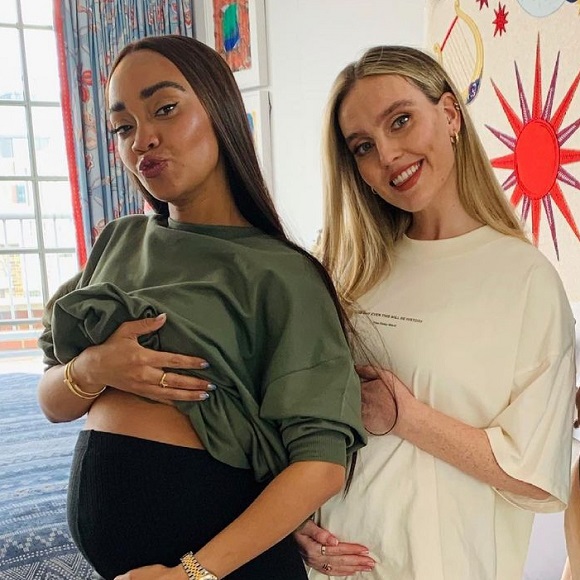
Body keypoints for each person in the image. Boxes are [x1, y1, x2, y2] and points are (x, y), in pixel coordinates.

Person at [37, 35, 366, 580]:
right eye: (122, 127)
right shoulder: (119, 242)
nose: (142, 139)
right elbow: (52, 402)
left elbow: (322, 465)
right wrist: (93, 368)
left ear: (220, 110)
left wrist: (191, 575)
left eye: (165, 108)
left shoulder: (282, 273)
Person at [294, 45, 576, 580]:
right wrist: (297, 519)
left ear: (449, 114)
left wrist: (408, 418)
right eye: (363, 146)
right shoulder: (348, 271)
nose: (387, 154)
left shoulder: (524, 281)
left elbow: (538, 476)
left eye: (400, 121)